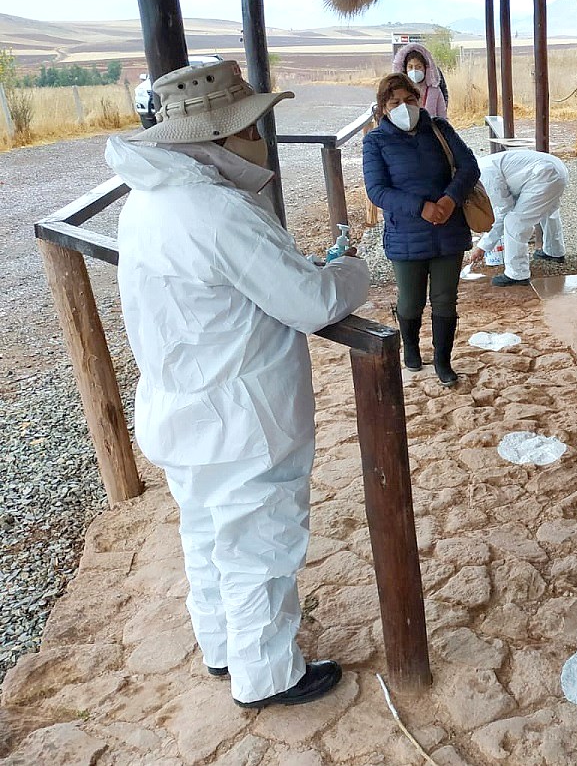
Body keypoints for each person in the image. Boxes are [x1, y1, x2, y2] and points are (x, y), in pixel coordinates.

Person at [108, 61, 371, 708]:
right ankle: (269, 673)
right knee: (259, 541)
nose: (260, 137)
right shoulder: (217, 210)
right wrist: (352, 274)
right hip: (240, 418)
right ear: (221, 135)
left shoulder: (147, 202)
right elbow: (309, 301)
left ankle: (224, 647)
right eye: (251, 126)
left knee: (207, 531)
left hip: (183, 411)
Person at [363, 72, 479, 386]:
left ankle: (443, 361)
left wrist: (449, 200)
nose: (405, 106)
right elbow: (377, 190)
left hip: (448, 230)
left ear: (420, 99)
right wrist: (421, 207)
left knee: (445, 299)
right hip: (406, 234)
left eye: (410, 99)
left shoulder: (439, 129)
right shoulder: (375, 141)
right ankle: (411, 347)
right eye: (395, 102)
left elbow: (469, 166)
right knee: (411, 300)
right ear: (383, 108)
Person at [466, 149, 570, 287]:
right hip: (556, 168)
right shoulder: (484, 165)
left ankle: (517, 273)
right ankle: (554, 251)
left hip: (543, 174)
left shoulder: (484, 176)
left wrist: (483, 246)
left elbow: (504, 211)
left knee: (514, 221)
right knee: (548, 211)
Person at [392, 42, 449, 120]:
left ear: (426, 68)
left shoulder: (434, 91)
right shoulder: (398, 92)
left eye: (418, 67)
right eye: (410, 67)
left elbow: (443, 117)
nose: (414, 70)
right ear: (404, 69)